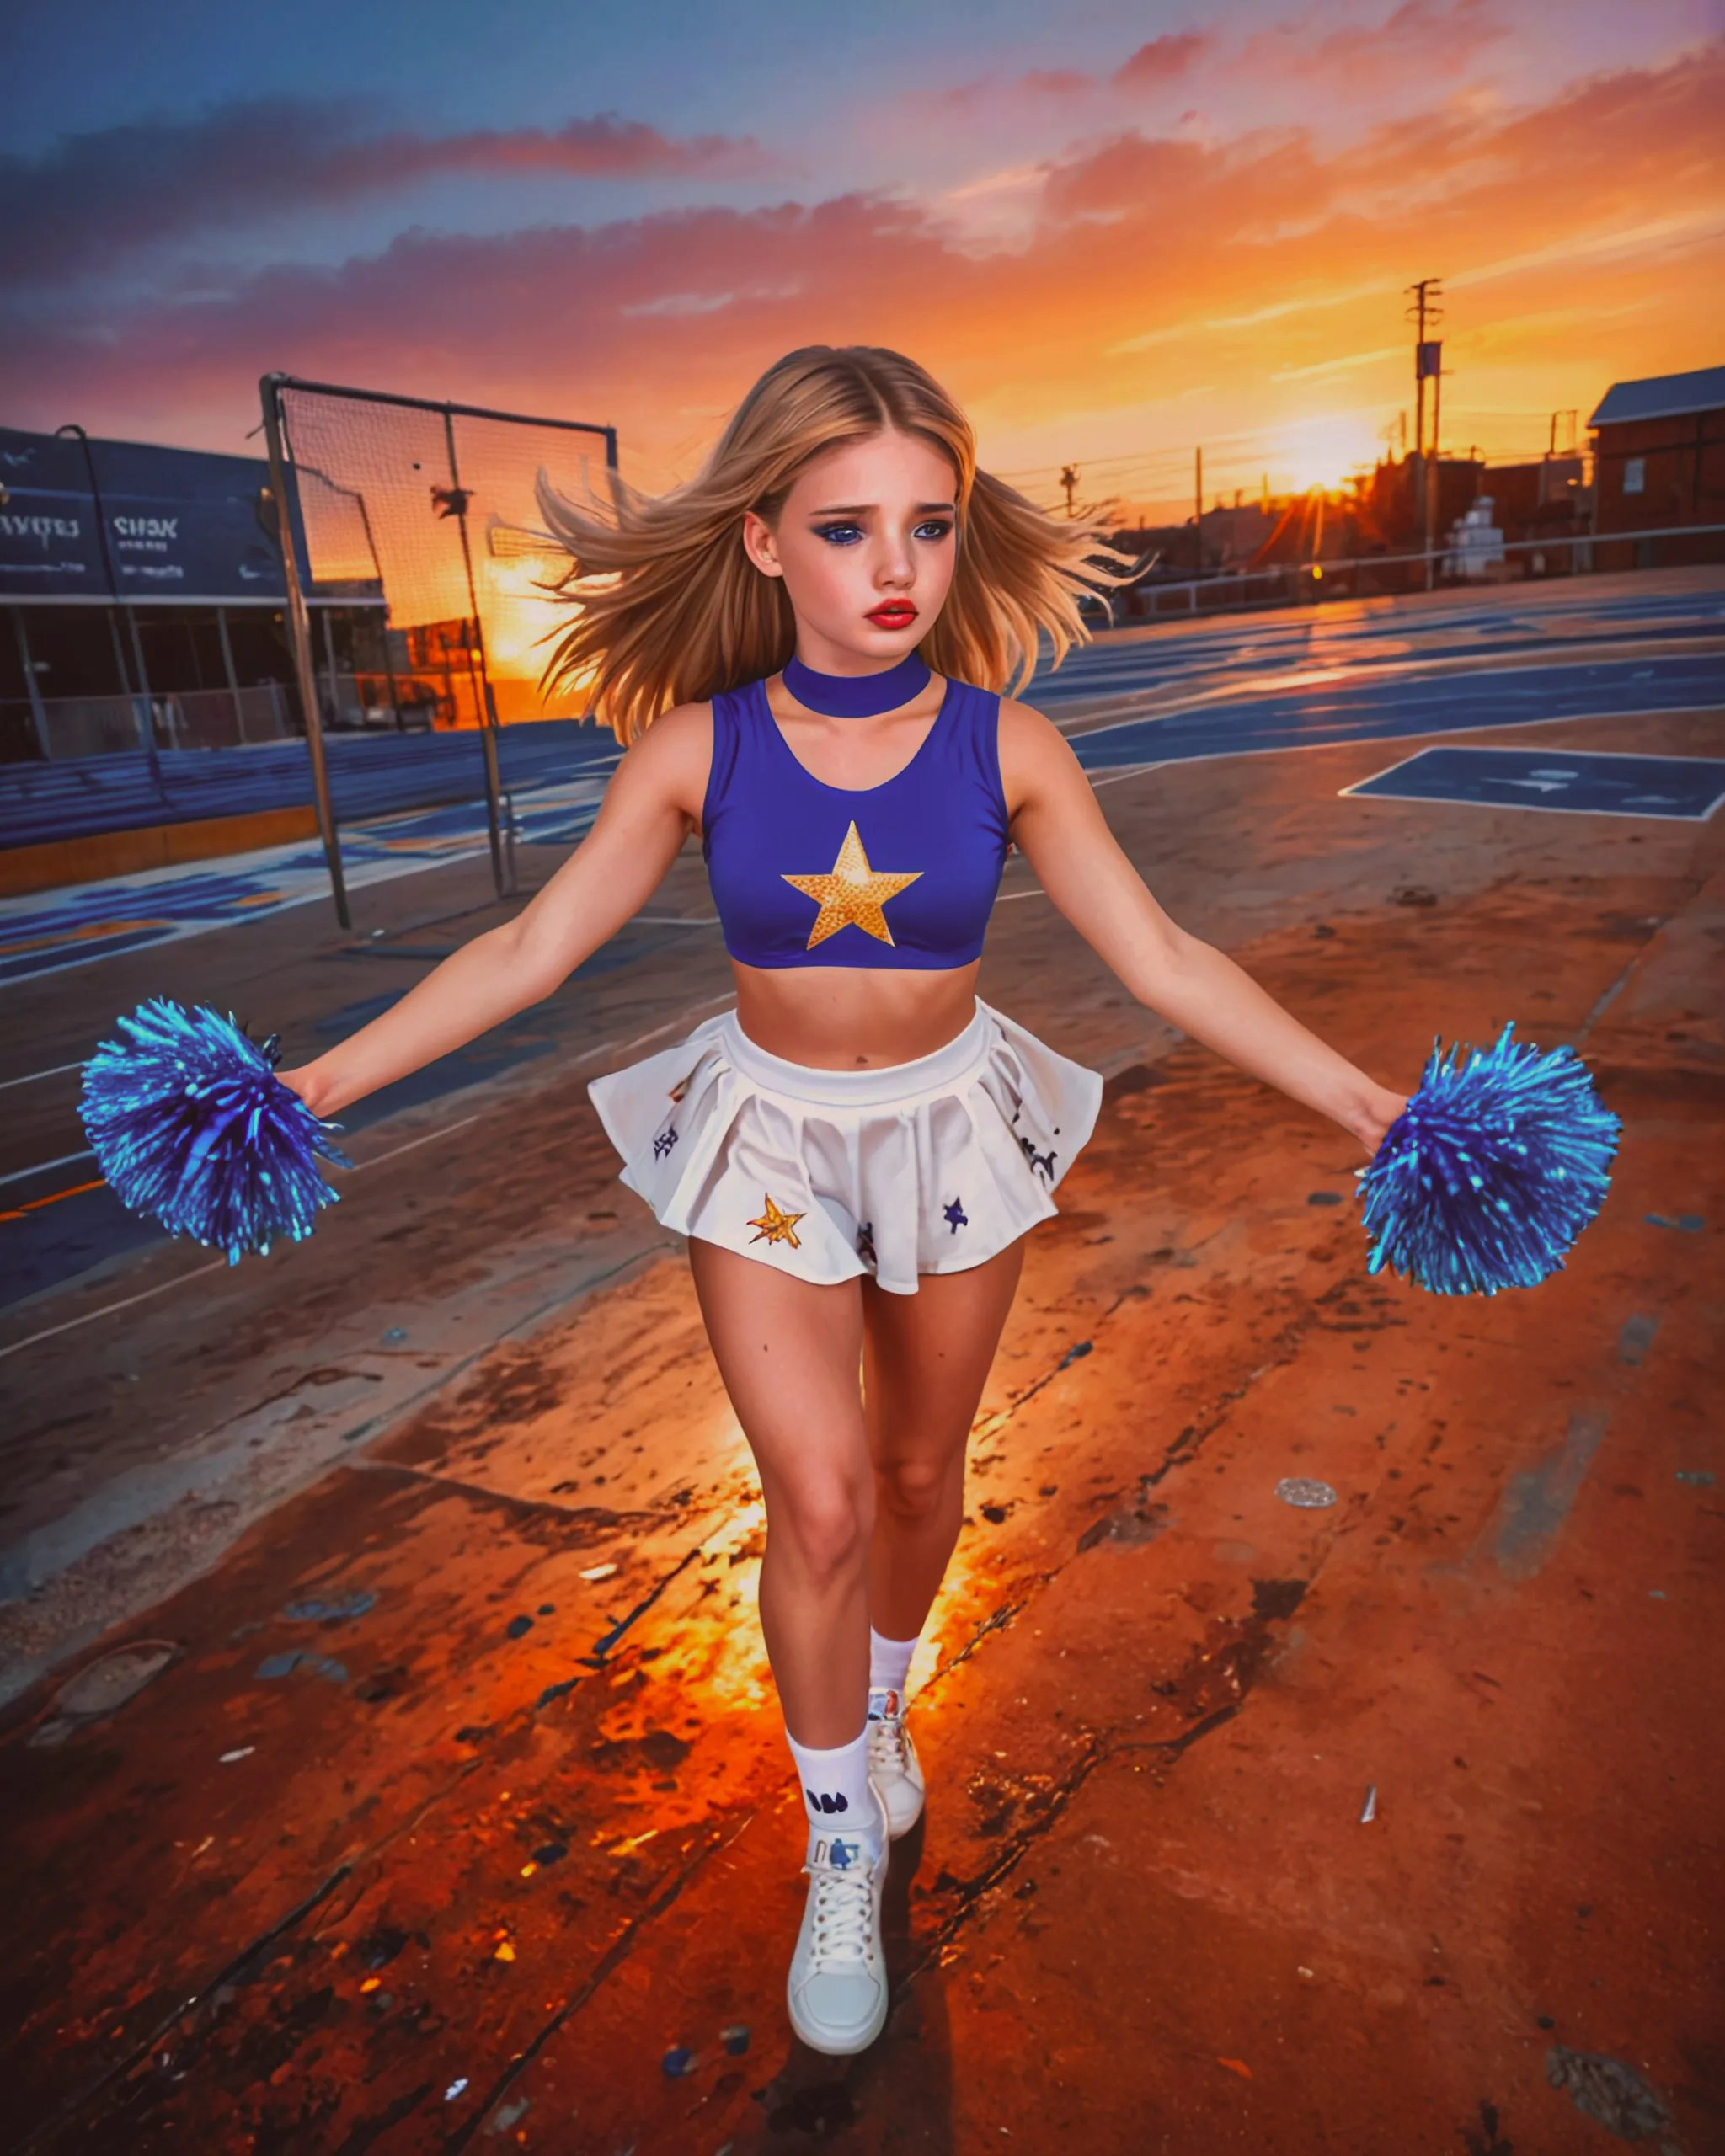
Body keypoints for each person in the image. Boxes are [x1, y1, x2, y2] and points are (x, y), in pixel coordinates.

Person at [279, 345, 1407, 2057]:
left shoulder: (1007, 744)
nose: (894, 569)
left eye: (930, 526)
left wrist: (1365, 1099)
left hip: (952, 1132)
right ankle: (831, 1842)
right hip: (773, 1143)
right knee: (811, 1499)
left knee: (911, 1473)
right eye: (846, 527)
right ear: (759, 542)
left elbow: (1163, 955)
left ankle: (883, 1714)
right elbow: (527, 945)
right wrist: (317, 1084)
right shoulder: (695, 749)